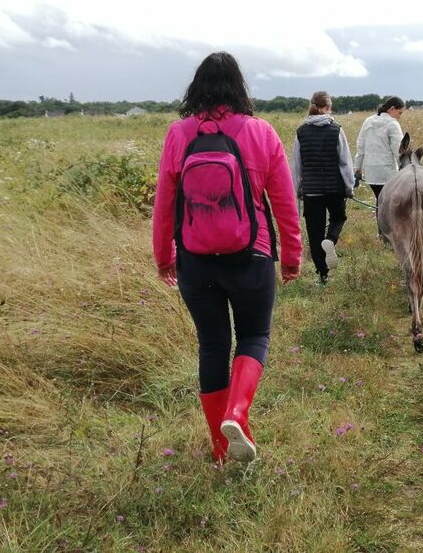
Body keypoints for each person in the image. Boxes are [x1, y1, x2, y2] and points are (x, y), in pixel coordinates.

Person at [152, 51, 302, 464]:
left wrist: (164, 256)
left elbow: (165, 203)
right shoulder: (261, 132)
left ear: (195, 88)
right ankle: (237, 413)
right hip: (251, 257)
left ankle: (222, 451)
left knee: (212, 346)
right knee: (254, 337)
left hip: (195, 261)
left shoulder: (178, 133)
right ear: (239, 88)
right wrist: (291, 256)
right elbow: (285, 204)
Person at [290, 91, 355, 285]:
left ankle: (322, 275)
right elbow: (345, 162)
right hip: (334, 188)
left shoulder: (301, 132)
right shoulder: (336, 130)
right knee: (338, 218)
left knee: (314, 231)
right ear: (327, 108)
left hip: (311, 190)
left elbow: (297, 165)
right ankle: (331, 240)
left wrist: (297, 189)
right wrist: (349, 186)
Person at [354, 96, 405, 201]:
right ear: (391, 109)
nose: (399, 117)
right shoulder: (393, 124)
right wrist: (405, 170)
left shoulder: (368, 121)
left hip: (371, 173)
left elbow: (360, 146)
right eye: (399, 113)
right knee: (388, 204)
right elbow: (399, 150)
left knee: (380, 200)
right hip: (387, 173)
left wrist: (357, 168)